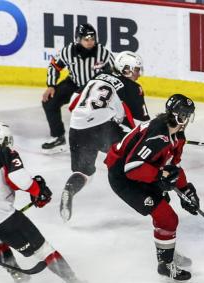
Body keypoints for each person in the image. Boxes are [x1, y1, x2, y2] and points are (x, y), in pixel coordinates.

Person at [0, 122, 87, 283]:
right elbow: (19, 178)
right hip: (0, 219)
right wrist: (38, 191)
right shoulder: (3, 152)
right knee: (43, 250)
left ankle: (17, 274)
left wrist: (34, 191)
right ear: (3, 139)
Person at [104, 94, 198, 283]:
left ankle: (166, 252)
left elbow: (173, 168)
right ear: (176, 115)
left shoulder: (177, 135)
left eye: (188, 115)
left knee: (165, 207)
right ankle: (165, 265)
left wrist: (186, 190)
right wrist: (160, 177)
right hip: (123, 178)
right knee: (168, 218)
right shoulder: (158, 135)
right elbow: (131, 168)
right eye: (184, 115)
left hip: (142, 172)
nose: (186, 120)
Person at [60, 50, 150, 222]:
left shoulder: (98, 76)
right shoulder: (132, 88)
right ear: (126, 70)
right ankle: (147, 194)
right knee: (136, 151)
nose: (139, 73)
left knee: (85, 173)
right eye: (136, 69)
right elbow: (141, 124)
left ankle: (70, 189)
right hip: (101, 129)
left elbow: (73, 103)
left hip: (77, 127)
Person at [41, 23, 114, 153]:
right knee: (49, 102)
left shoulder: (102, 52)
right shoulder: (68, 51)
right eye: (86, 39)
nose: (90, 42)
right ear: (78, 39)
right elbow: (54, 66)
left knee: (96, 112)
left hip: (94, 87)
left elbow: (114, 71)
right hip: (73, 83)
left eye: (92, 39)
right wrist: (51, 85)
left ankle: (103, 140)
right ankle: (58, 136)